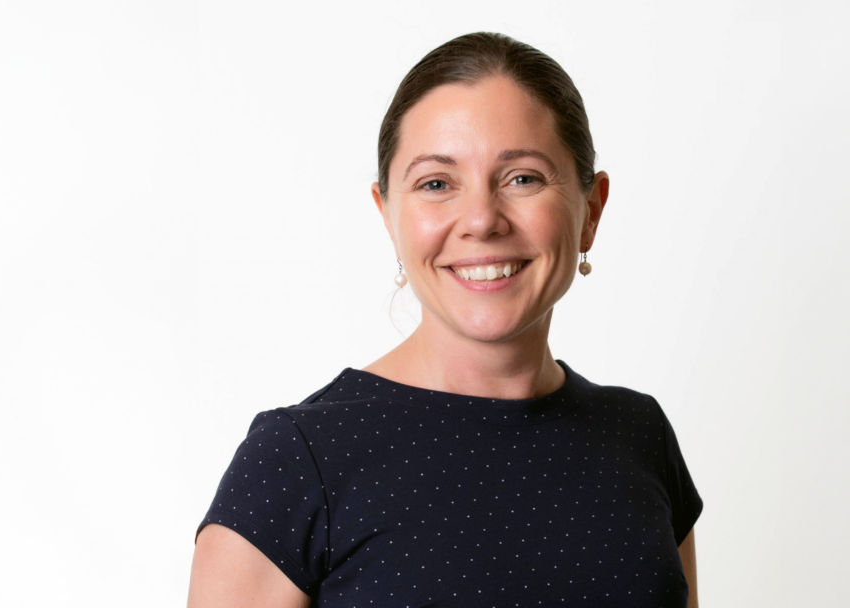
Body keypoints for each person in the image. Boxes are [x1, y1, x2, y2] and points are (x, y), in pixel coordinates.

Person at [187, 31, 702, 608]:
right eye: (437, 183)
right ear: (389, 216)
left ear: (592, 211)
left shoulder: (639, 435)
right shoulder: (295, 461)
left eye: (523, 178)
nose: (481, 220)